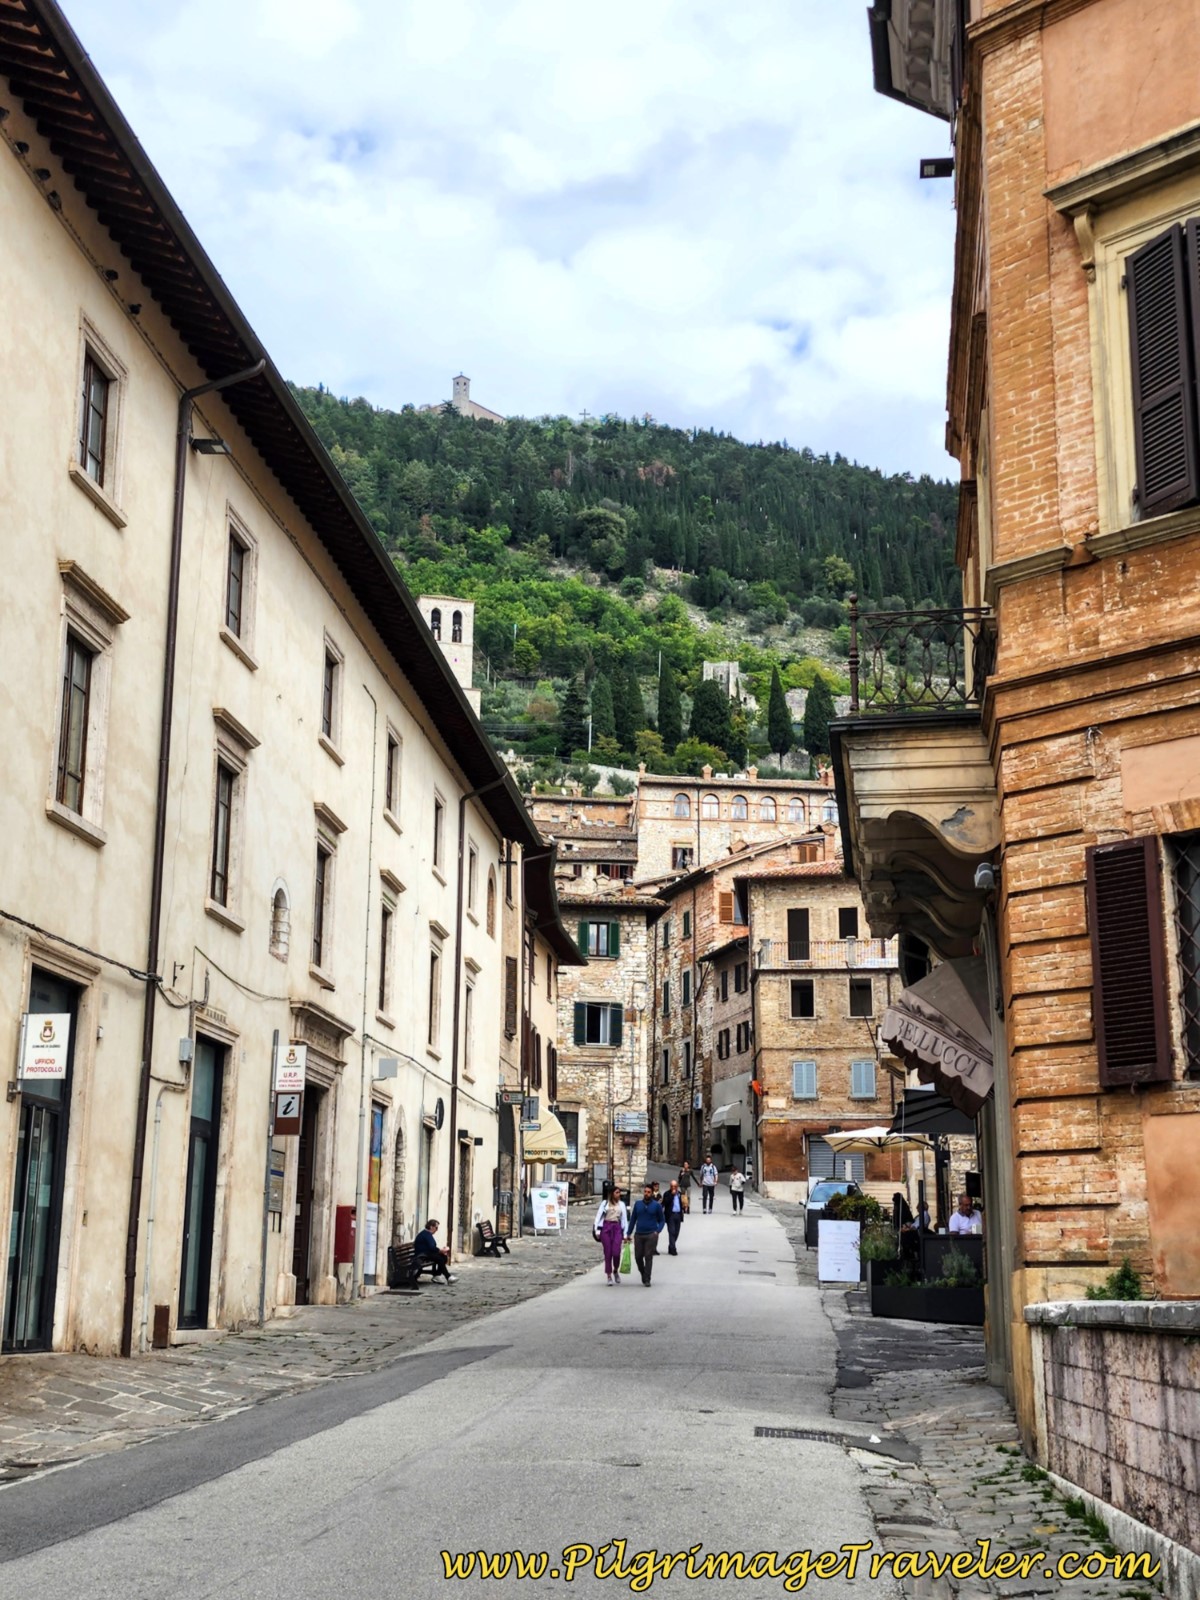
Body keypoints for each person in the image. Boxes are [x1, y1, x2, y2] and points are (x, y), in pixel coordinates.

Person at [626, 1183, 665, 1286]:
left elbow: (662, 1220)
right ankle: (643, 1273)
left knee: (648, 1257)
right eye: (645, 1192)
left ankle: (647, 1278)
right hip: (639, 1234)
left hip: (651, 1234)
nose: (646, 1194)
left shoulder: (656, 1206)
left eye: (649, 1192)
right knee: (638, 1257)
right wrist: (628, 1233)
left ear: (652, 1194)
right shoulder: (638, 1204)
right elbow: (633, 1219)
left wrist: (658, 1231)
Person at [594, 1186, 628, 1284]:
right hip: (606, 1228)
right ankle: (608, 1275)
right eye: (617, 1192)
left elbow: (625, 1219)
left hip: (617, 1228)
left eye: (619, 1192)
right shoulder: (605, 1204)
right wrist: (597, 1230)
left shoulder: (621, 1204)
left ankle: (615, 1270)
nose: (619, 1194)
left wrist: (625, 1233)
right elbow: (599, 1216)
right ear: (612, 1194)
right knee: (608, 1252)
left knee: (616, 1252)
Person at [413, 1219, 455, 1283]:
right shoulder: (426, 1234)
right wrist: (441, 1250)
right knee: (440, 1258)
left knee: (444, 1257)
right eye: (436, 1228)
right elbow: (432, 1247)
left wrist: (441, 1251)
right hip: (422, 1255)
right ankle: (448, 1276)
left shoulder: (427, 1234)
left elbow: (432, 1247)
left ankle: (437, 1275)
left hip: (427, 1253)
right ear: (431, 1227)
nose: (437, 1230)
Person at [662, 1179, 686, 1254]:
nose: (673, 1188)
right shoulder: (667, 1193)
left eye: (675, 1186)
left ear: (677, 1186)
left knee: (676, 1232)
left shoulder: (680, 1194)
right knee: (671, 1232)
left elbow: (682, 1203)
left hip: (678, 1215)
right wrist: (672, 1195)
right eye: (672, 1186)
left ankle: (671, 1246)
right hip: (670, 1215)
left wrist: (685, 1206)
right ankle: (673, 1249)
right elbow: (665, 1203)